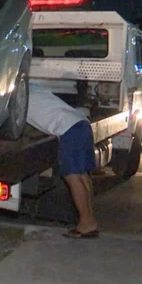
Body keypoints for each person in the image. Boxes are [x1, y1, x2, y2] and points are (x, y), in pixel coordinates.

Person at [27, 83, 100, 238]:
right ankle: (90, 219)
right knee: (82, 176)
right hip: (81, 123)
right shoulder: (34, 87)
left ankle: (86, 223)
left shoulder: (17, 98)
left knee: (72, 177)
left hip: (68, 130)